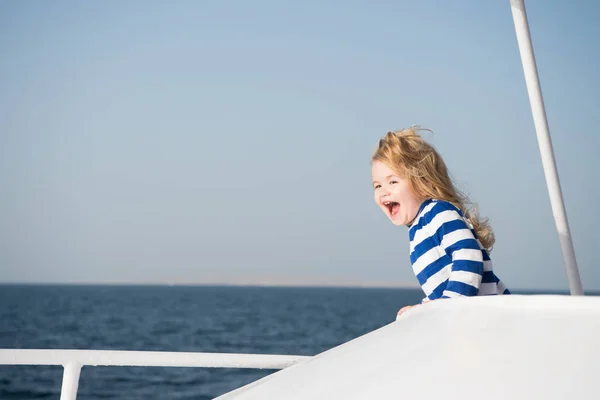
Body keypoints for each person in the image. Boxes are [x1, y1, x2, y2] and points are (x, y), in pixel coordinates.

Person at [370, 126, 510, 319]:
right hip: (472, 318)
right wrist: (424, 307)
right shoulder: (419, 228)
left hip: (490, 317)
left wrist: (449, 305)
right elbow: (445, 284)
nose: (383, 191)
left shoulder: (438, 212)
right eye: (377, 185)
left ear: (424, 181)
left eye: (393, 182)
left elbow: (468, 257)